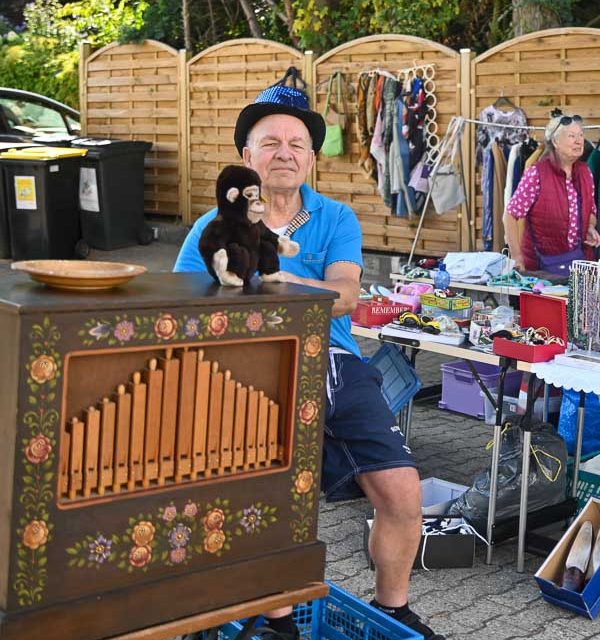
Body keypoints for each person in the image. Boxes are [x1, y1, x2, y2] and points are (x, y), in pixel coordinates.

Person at [172, 74, 444, 640]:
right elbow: (179, 310)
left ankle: (392, 610)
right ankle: (276, 619)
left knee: (403, 489)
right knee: (277, 497)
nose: (284, 154)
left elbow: (345, 295)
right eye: (270, 143)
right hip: (245, 372)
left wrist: (274, 281)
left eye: (297, 145)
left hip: (335, 363)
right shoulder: (212, 227)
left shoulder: (335, 217)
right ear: (246, 156)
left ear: (312, 159)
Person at [504, 113, 600, 271]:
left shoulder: (585, 172)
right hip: (541, 267)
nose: (579, 141)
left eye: (581, 135)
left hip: (578, 263)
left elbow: (591, 211)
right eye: (571, 136)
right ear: (555, 141)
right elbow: (510, 215)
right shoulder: (537, 173)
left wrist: (589, 227)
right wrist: (516, 256)